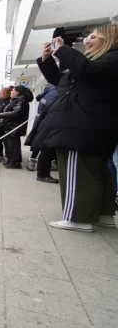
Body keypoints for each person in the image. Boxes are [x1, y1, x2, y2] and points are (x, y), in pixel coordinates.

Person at [31, 25, 118, 232]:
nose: (87, 41)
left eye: (94, 37)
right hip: (92, 125)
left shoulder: (110, 59)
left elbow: (87, 70)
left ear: (108, 40)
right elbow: (61, 80)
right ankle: (103, 214)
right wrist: (48, 59)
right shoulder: (102, 62)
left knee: (76, 171)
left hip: (82, 124)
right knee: (97, 172)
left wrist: (63, 50)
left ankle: (77, 218)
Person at [0, 85, 33, 169]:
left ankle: (15, 162)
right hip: (10, 126)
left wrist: (3, 115)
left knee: (14, 146)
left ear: (18, 92)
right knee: (9, 145)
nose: (11, 92)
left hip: (15, 127)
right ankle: (10, 160)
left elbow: (16, 113)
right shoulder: (16, 101)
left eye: (13, 90)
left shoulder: (21, 101)